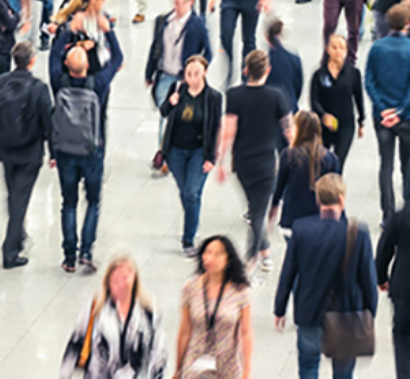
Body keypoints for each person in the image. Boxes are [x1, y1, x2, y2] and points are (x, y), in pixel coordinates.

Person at [274, 173, 378, 379]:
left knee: (308, 367)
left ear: (318, 199)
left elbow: (288, 273)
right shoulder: (358, 233)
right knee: (343, 373)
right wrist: (369, 313)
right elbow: (368, 280)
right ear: (342, 199)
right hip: (346, 314)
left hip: (309, 313)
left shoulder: (301, 229)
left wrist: (280, 308)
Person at [49, 24, 122, 273]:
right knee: (92, 201)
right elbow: (118, 58)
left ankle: (68, 255)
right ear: (88, 66)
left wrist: (68, 32)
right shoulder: (98, 84)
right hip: (93, 149)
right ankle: (86, 251)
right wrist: (108, 30)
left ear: (67, 65)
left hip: (65, 150)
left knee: (68, 202)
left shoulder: (58, 82)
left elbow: (53, 54)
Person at [0, 41, 53, 269]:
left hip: (4, 149)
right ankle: (10, 251)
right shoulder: (39, 88)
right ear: (32, 60)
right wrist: (54, 151)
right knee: (19, 200)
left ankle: (18, 235)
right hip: (29, 152)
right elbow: (48, 123)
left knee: (14, 195)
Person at [217, 50, 291, 273]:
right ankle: (250, 260)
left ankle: (265, 250)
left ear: (245, 70)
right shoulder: (277, 96)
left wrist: (221, 161)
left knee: (255, 208)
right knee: (258, 212)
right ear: (267, 71)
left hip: (242, 163)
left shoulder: (234, 95)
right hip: (266, 163)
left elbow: (228, 130)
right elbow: (289, 131)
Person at [60, 255, 167, 377]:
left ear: (134, 280)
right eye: (115, 279)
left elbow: (159, 352)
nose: (121, 284)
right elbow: (74, 345)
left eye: (125, 278)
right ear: (108, 282)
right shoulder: (95, 309)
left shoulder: (148, 312)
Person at [159, 56, 222, 257]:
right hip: (176, 150)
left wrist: (211, 157)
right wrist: (171, 103)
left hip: (198, 150)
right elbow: (163, 112)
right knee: (185, 191)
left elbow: (215, 128)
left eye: (196, 73)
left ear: (204, 72)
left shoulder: (213, 97)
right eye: (188, 74)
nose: (192, 78)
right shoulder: (177, 90)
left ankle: (188, 238)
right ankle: (193, 220)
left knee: (192, 193)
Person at [145, 0, 211, 170]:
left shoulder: (197, 25)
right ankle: (164, 156)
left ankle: (178, 151)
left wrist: (198, 72)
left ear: (191, 2)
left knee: (182, 116)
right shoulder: (163, 22)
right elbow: (155, 48)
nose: (179, 7)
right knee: (166, 115)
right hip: (165, 75)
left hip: (185, 79)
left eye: (182, 3)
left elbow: (208, 52)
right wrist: (149, 73)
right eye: (176, 3)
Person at [173, 236, 252, 379]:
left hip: (227, 364)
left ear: (228, 259)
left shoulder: (240, 291)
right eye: (207, 253)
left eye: (217, 254)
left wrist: (246, 369)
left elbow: (245, 332)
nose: (210, 258)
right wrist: (178, 368)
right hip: (195, 362)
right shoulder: (190, 288)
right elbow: (185, 331)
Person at [365, 3, 410, 225]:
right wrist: (400, 111)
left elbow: (369, 80)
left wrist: (382, 107)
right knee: (407, 164)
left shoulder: (377, 48)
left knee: (386, 164)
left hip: (381, 116)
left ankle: (388, 215)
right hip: (406, 117)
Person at [269, 111, 340, 235]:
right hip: (319, 220)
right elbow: (335, 192)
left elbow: (279, 189)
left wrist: (272, 211)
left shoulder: (289, 155)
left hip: (292, 219)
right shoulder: (330, 158)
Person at [309, 34, 365, 173]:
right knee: (321, 164)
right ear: (328, 49)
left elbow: (358, 97)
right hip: (323, 126)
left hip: (345, 124)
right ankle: (321, 190)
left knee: (338, 164)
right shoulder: (319, 74)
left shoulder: (353, 73)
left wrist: (361, 121)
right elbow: (314, 100)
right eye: (334, 47)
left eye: (341, 48)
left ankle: (334, 192)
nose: (338, 51)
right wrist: (323, 115)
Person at [376, 202, 410, 379]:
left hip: (403, 288)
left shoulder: (399, 218)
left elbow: (384, 249)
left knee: (402, 335)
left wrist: (381, 277)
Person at [264, 18, 303, 117]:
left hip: (269, 110)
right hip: (290, 106)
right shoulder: (294, 58)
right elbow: (298, 85)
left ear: (266, 36)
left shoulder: (265, 62)